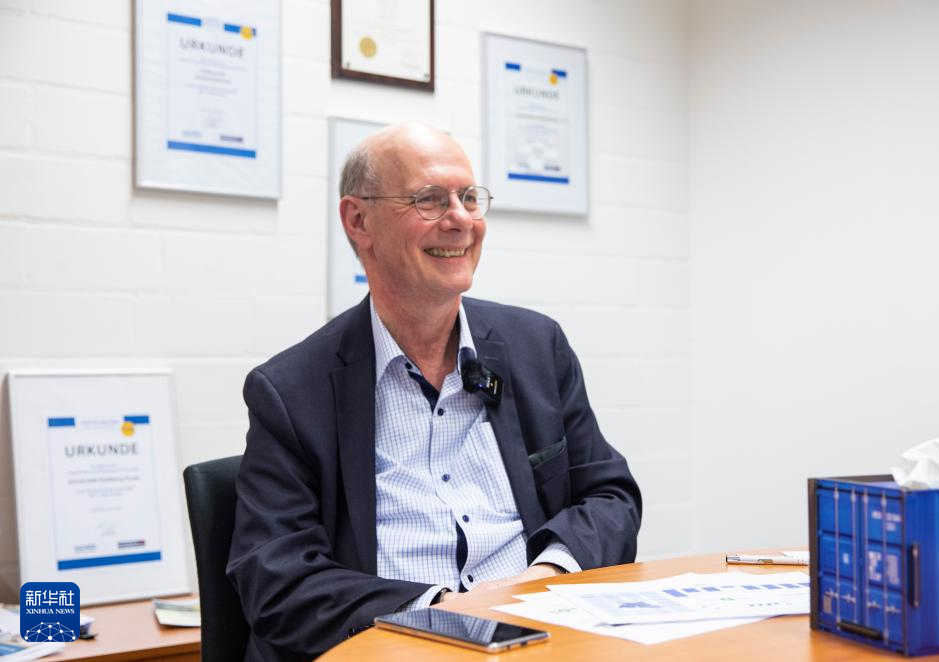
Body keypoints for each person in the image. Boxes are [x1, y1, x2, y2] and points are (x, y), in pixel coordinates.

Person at [227, 123, 642, 661]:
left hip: (541, 640)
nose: (461, 219)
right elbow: (277, 580)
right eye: (429, 199)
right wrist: (447, 612)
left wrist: (544, 574)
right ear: (358, 221)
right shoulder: (290, 391)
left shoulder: (537, 347)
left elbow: (610, 497)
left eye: (469, 197)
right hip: (395, 648)